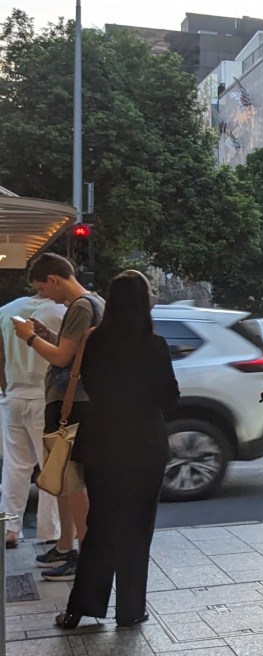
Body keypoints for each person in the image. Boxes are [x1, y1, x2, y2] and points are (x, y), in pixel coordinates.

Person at [49, 270, 178, 629]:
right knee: (137, 531)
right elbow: (170, 398)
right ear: (144, 302)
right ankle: (130, 610)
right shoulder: (154, 346)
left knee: (100, 525)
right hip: (145, 448)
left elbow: (88, 385)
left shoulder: (94, 342)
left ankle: (80, 608)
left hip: (102, 445)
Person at [14, 253, 105, 581]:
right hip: (78, 400)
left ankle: (81, 552)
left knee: (72, 481)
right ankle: (67, 545)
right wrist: (46, 335)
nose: (44, 295)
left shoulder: (81, 306)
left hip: (72, 402)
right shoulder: (93, 303)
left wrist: (30, 338)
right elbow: (74, 352)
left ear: (54, 279)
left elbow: (63, 357)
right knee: (64, 481)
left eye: (43, 288)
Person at [0, 290, 66, 547]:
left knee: (15, 466)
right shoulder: (60, 312)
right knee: (50, 466)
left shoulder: (6, 310)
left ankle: (10, 529)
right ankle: (50, 530)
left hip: (14, 396)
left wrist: (6, 387)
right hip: (44, 396)